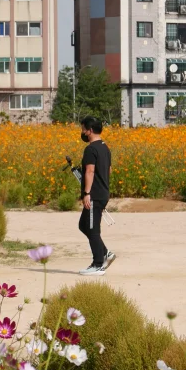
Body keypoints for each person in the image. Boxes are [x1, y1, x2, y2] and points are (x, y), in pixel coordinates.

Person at [77, 116, 115, 276]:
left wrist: (87, 193)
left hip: (94, 195)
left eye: (83, 129)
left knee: (92, 229)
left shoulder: (91, 149)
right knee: (83, 225)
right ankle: (105, 253)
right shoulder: (105, 147)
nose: (82, 132)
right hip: (102, 192)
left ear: (90, 130)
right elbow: (109, 170)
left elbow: (90, 171)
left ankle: (98, 264)